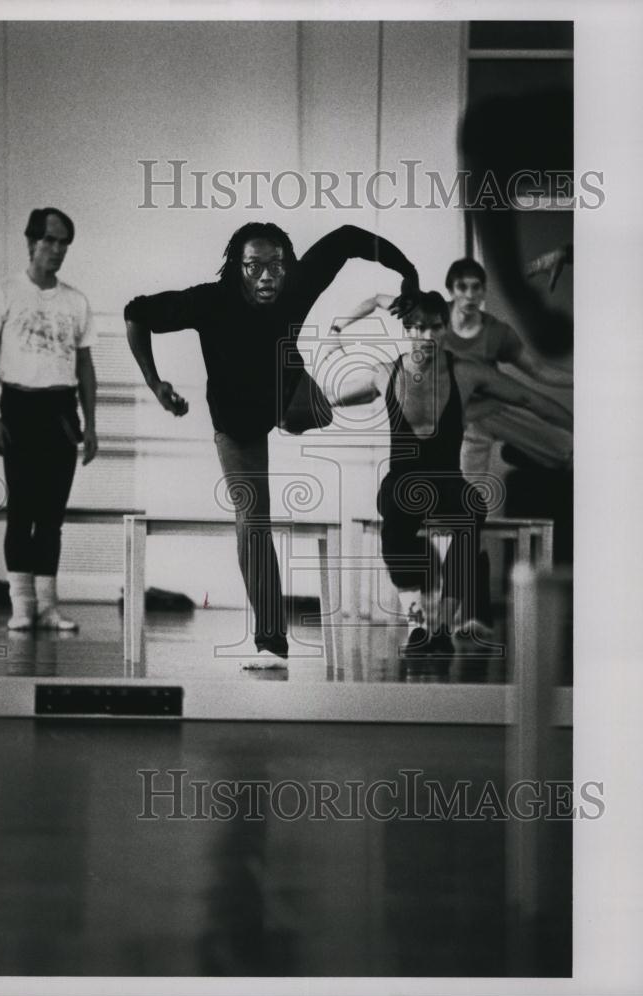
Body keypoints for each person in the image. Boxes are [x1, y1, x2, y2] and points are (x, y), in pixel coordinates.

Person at [124, 222, 420, 666]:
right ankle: (271, 642)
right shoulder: (209, 300)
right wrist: (155, 383)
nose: (267, 277)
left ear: (288, 268)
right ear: (237, 269)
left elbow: (348, 239)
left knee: (323, 412)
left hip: (287, 391)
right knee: (253, 521)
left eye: (276, 267)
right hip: (236, 423)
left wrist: (409, 273)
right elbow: (136, 313)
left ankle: (292, 413)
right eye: (255, 267)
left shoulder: (296, 283)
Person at [323, 292, 572, 656]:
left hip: (446, 481)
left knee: (472, 510)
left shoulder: (466, 373)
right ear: (407, 329)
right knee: (395, 520)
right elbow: (329, 399)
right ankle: (418, 623)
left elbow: (528, 399)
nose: (426, 336)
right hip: (402, 481)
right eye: (418, 328)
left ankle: (442, 619)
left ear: (445, 330)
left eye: (435, 328)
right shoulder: (384, 373)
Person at [330, 257, 573, 477]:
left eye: (476, 288)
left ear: (483, 292)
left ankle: (531, 454)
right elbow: (376, 300)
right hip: (460, 420)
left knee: (564, 451)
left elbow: (537, 371)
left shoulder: (498, 333)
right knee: (465, 492)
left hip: (490, 409)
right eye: (462, 288)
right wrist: (336, 329)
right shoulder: (429, 313)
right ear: (451, 291)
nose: (469, 295)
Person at [0, 207, 98, 632]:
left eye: (64, 242)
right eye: (50, 240)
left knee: (51, 515)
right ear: (31, 242)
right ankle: (22, 606)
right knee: (22, 510)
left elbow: (84, 366)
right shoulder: (4, 291)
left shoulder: (75, 300)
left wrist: (92, 425)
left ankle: (47, 606)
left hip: (61, 411)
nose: (57, 249)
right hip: (19, 408)